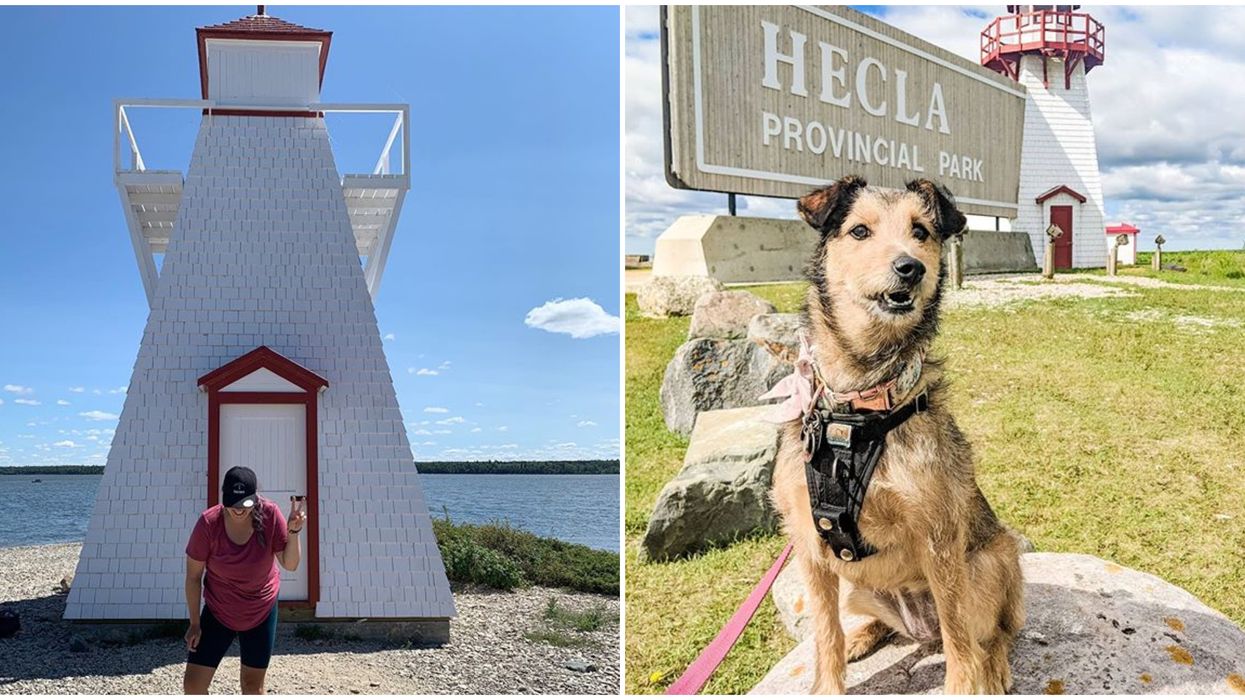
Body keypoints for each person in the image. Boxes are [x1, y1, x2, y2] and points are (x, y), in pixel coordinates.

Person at [182, 466, 307, 694]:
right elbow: (193, 576)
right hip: (219, 609)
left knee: (252, 687)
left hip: (260, 609)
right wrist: (194, 623)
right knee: (192, 686)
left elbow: (290, 564)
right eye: (232, 503)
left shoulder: (270, 515)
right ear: (223, 497)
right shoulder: (209, 523)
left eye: (245, 504)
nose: (238, 510)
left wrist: (294, 532)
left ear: (255, 498)